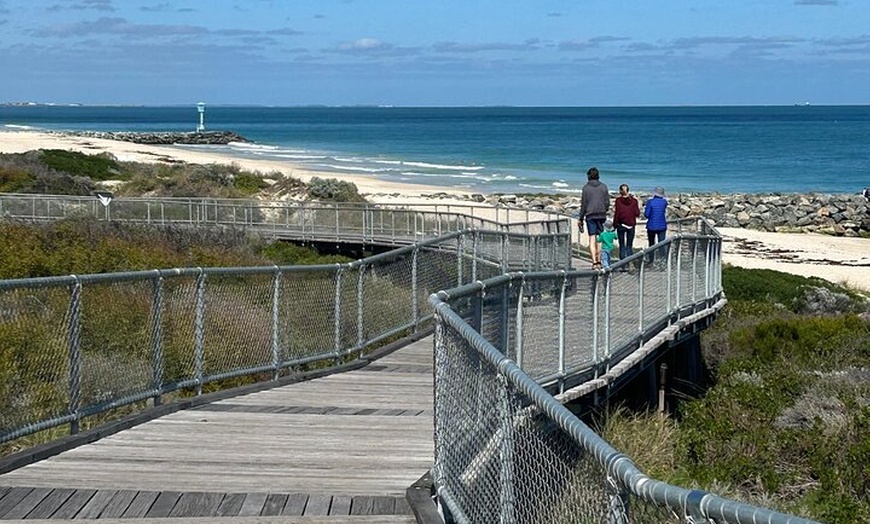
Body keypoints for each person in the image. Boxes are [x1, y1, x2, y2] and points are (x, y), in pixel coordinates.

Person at [577, 167, 610, 269]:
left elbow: (584, 205)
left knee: (592, 238)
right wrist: (604, 209)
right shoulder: (604, 187)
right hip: (601, 214)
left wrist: (581, 218)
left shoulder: (586, 188)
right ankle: (599, 260)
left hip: (590, 214)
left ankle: (594, 262)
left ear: (589, 176)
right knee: (600, 238)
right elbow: (607, 202)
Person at [613, 183, 640, 262]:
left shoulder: (618, 201)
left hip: (621, 224)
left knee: (622, 245)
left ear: (620, 191)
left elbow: (617, 214)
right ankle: (629, 261)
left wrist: (614, 224)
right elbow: (637, 213)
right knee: (629, 245)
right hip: (631, 224)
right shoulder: (634, 201)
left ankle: (623, 263)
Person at [644, 186, 668, 264]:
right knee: (662, 244)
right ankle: (662, 261)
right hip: (662, 225)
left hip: (651, 225)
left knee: (651, 244)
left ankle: (651, 260)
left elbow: (647, 214)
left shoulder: (650, 202)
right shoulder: (664, 202)